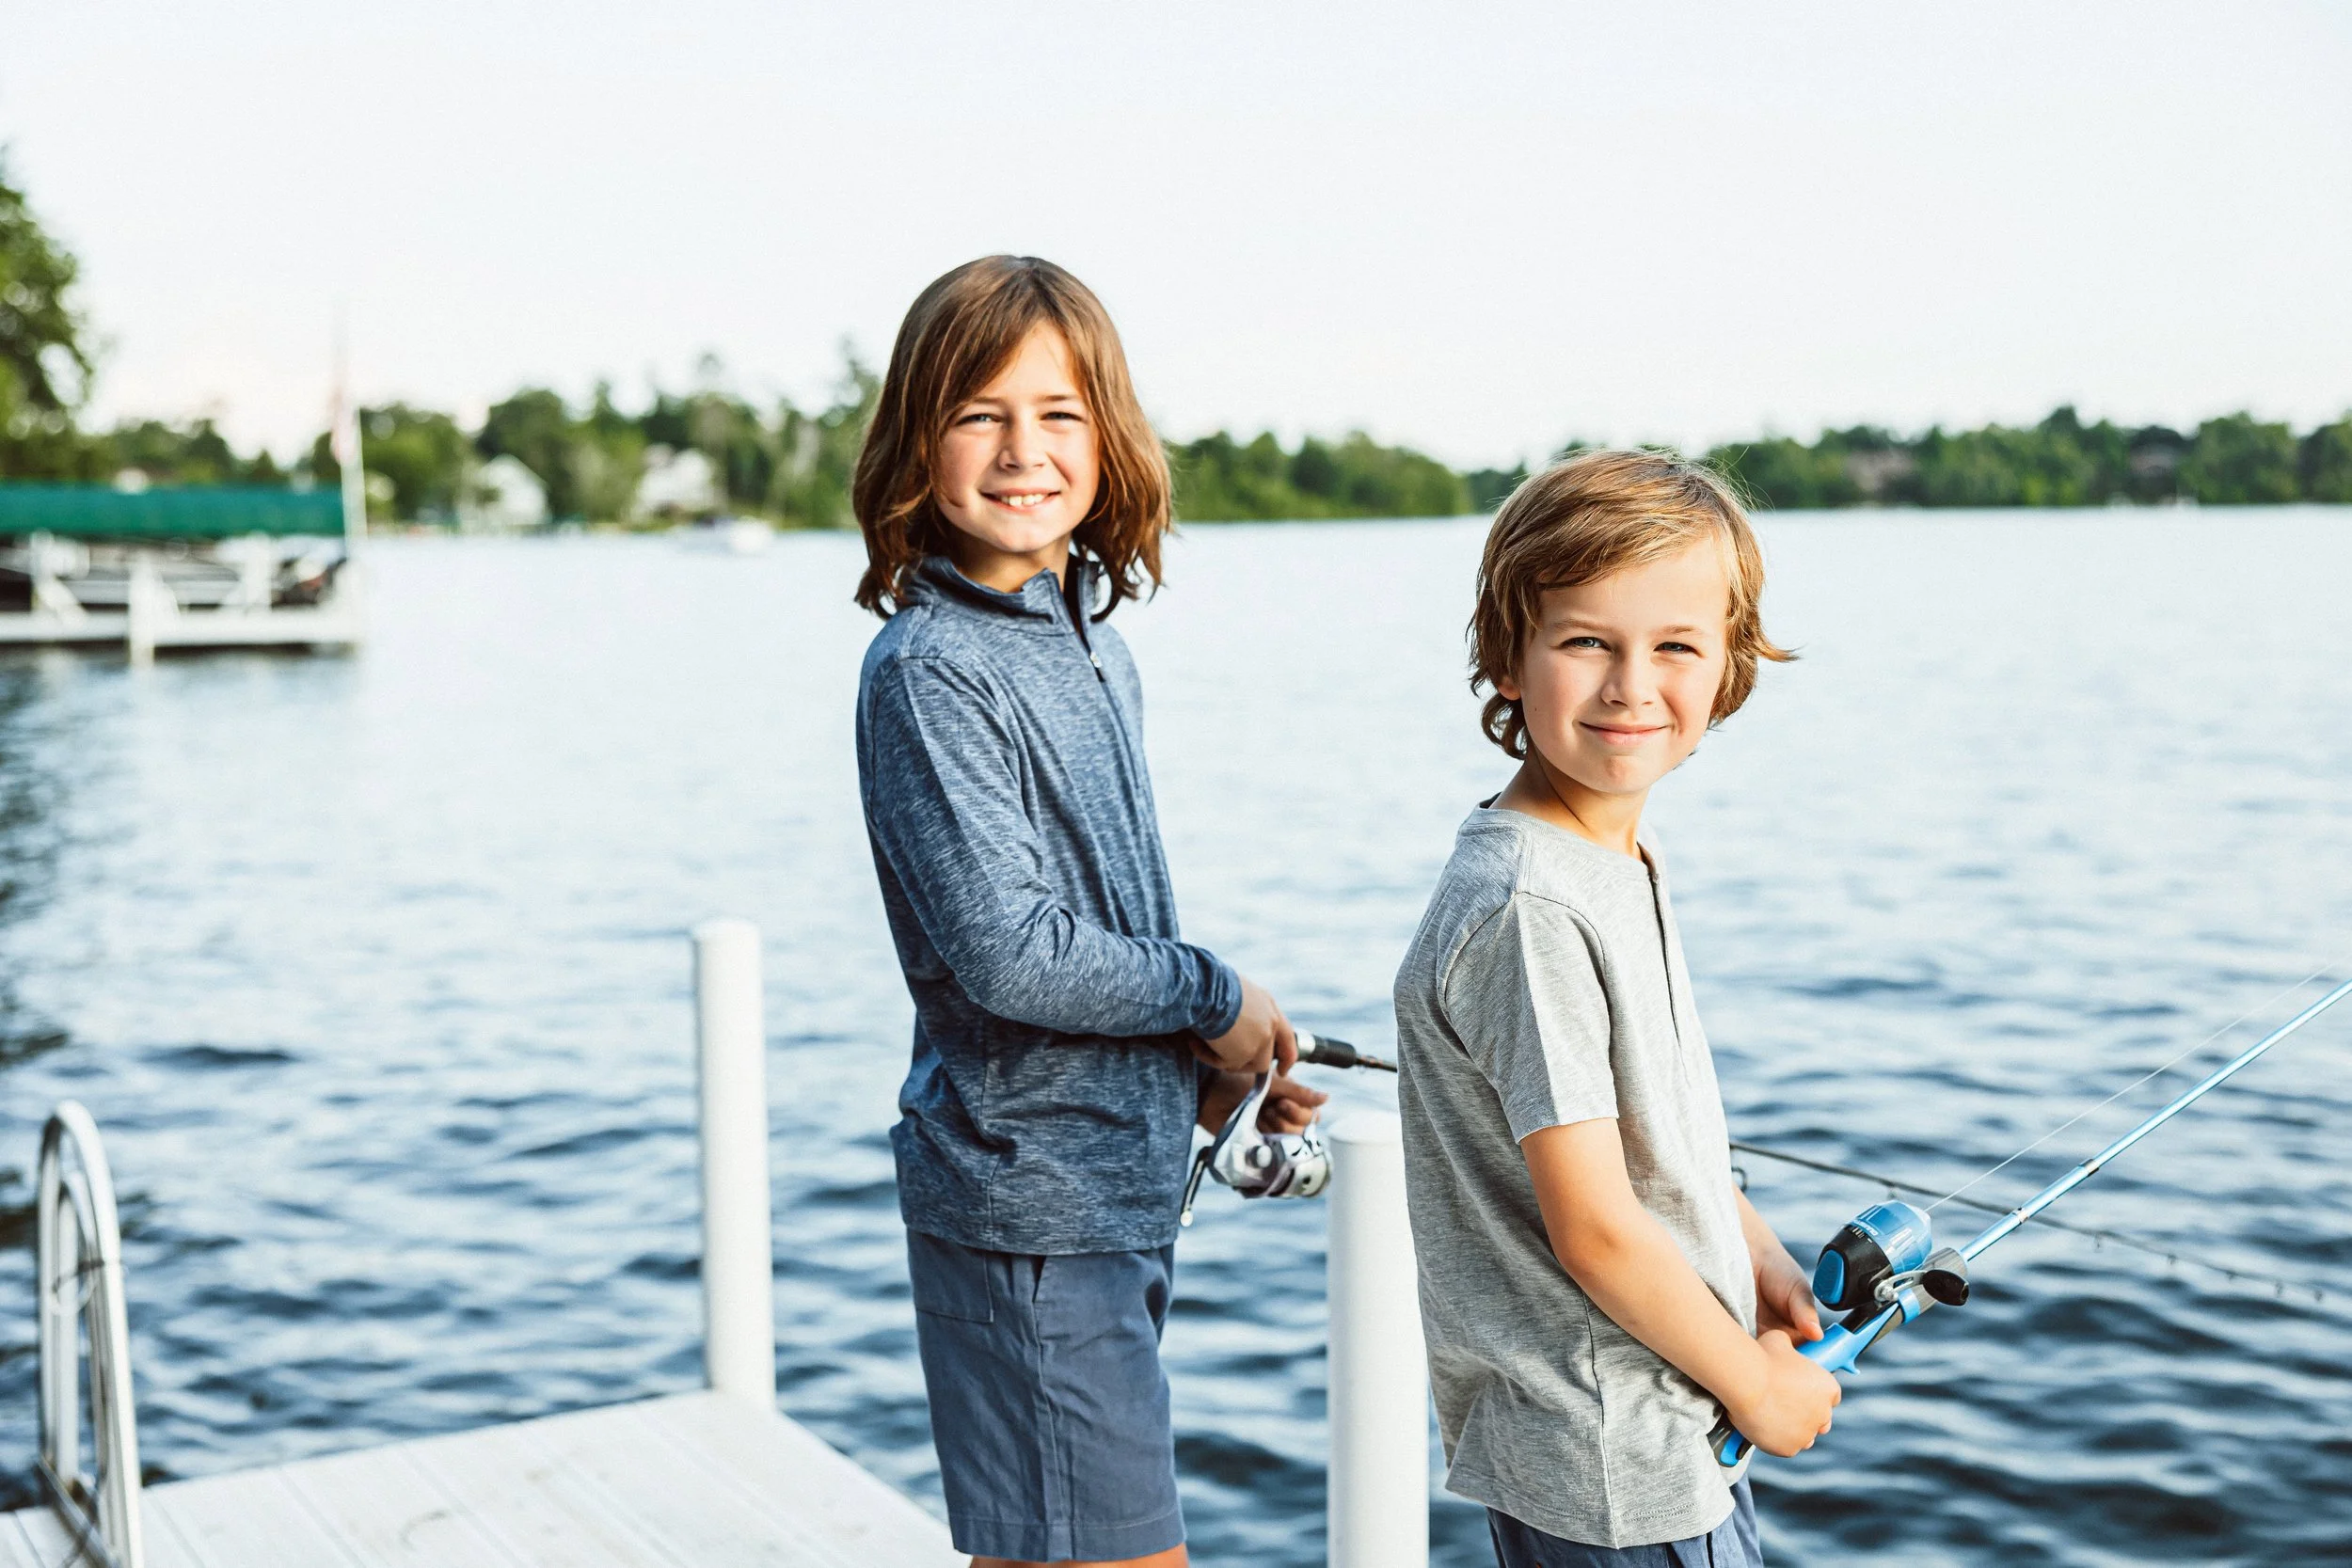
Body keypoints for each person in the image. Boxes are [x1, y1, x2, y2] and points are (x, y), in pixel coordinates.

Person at [851, 255, 1325, 1568]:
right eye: (980, 414)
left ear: (1108, 437)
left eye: (1058, 412)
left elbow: (1102, 915)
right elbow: (1011, 954)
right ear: (919, 443)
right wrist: (1214, 996)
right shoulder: (932, 668)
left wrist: (1201, 1074)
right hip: (1030, 1211)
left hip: (1113, 1190)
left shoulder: (1091, 641)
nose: (1024, 450)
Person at [1393, 451, 1837, 1567]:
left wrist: (1756, 1256)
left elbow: (1657, 1134)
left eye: (1675, 646)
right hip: (1612, 1458)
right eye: (1587, 641)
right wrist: (1756, 1387)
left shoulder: (1607, 856)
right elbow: (1593, 1227)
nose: (1631, 685)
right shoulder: (1530, 909)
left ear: (1727, 667)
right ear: (1509, 657)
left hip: (1666, 1427)